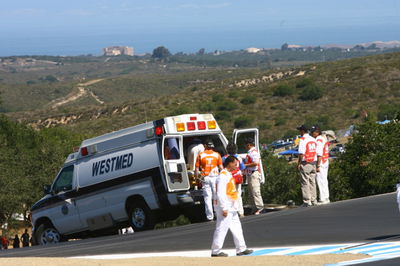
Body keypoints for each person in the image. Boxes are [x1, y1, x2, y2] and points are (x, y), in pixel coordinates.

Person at [211, 155, 253, 257]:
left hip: (232, 206)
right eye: (235, 163)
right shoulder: (223, 176)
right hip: (225, 207)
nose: (236, 166)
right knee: (221, 228)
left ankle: (241, 248)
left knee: (237, 228)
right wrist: (224, 208)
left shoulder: (228, 174)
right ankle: (216, 251)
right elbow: (220, 193)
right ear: (229, 163)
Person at [195, 140, 223, 221]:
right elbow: (221, 167)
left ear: (205, 146)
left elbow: (197, 169)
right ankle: (218, 214)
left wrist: (197, 178)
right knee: (216, 196)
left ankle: (210, 216)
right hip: (215, 178)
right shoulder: (217, 155)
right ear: (212, 146)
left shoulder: (201, 155)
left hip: (205, 178)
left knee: (207, 197)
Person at [297, 125, 318, 207]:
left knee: (305, 182)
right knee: (312, 181)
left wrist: (299, 164)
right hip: (314, 162)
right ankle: (314, 199)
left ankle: (307, 201)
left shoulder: (302, 140)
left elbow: (301, 153)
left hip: (306, 163)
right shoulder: (313, 139)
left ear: (302, 131)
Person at [222, 143, 245, 217]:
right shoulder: (238, 157)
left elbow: (222, 168)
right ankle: (241, 212)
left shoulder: (224, 158)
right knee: (238, 195)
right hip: (237, 178)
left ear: (227, 149)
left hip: (229, 179)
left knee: (229, 195)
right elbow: (242, 168)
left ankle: (232, 211)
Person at [244, 138, 264, 215]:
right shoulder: (249, 152)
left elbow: (255, 163)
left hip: (254, 173)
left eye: (246, 145)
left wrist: (245, 165)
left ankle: (260, 207)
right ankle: (254, 208)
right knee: (251, 193)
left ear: (248, 144)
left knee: (256, 191)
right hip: (249, 174)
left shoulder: (254, 152)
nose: (245, 146)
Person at [312, 126, 330, 204]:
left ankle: (323, 198)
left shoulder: (318, 140)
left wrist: (318, 165)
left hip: (321, 161)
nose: (312, 134)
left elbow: (319, 153)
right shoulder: (323, 138)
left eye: (313, 132)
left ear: (317, 132)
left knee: (320, 180)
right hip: (325, 160)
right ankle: (326, 197)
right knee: (324, 180)